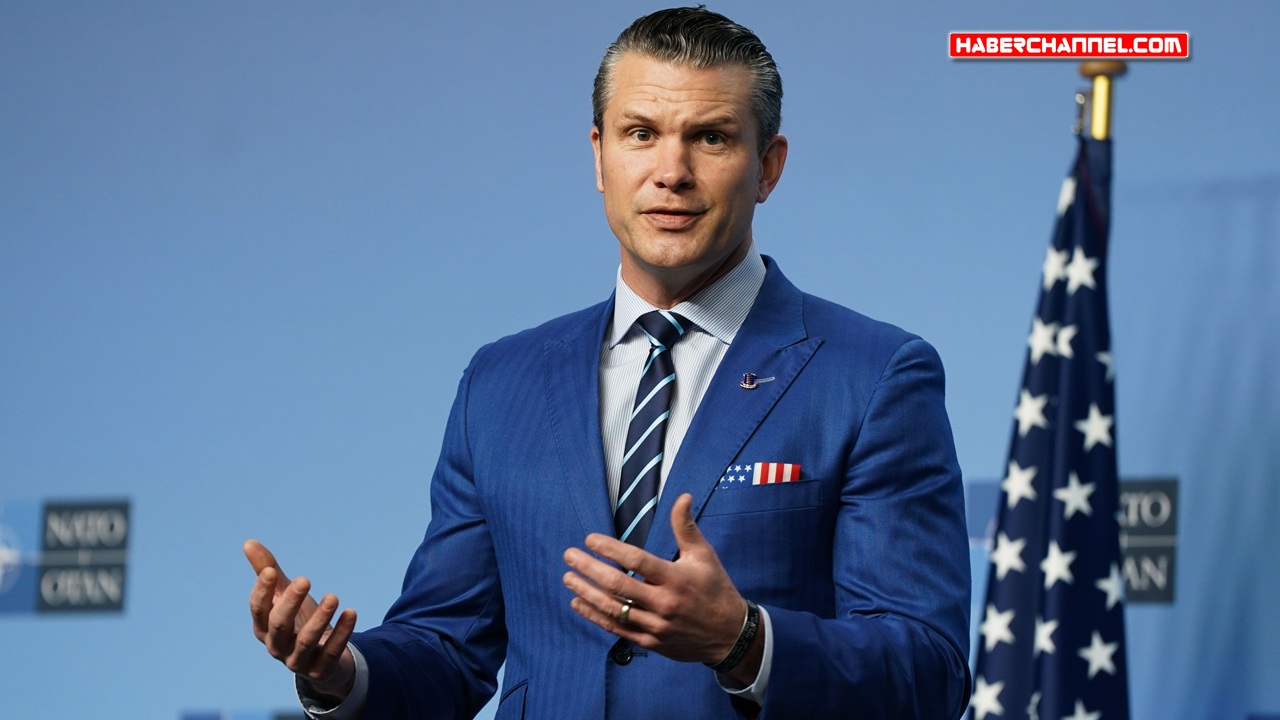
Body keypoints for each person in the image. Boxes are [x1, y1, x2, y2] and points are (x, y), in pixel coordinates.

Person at [243, 7, 971, 719]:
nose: (671, 172)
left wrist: (742, 640)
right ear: (599, 155)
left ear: (768, 167)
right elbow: (447, 648)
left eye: (711, 137)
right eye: (641, 134)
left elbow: (928, 672)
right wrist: (342, 674)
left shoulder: (873, 376)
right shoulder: (498, 384)